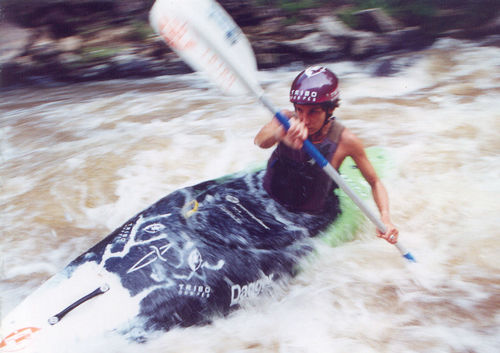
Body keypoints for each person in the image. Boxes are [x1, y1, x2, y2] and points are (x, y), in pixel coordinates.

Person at [254, 66, 399, 244]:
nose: (304, 119)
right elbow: (259, 141)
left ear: (330, 110)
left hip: (310, 218)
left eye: (313, 112)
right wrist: (279, 134)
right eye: (299, 110)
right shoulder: (284, 119)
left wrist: (385, 218)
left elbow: (374, 182)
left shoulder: (346, 140)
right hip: (268, 200)